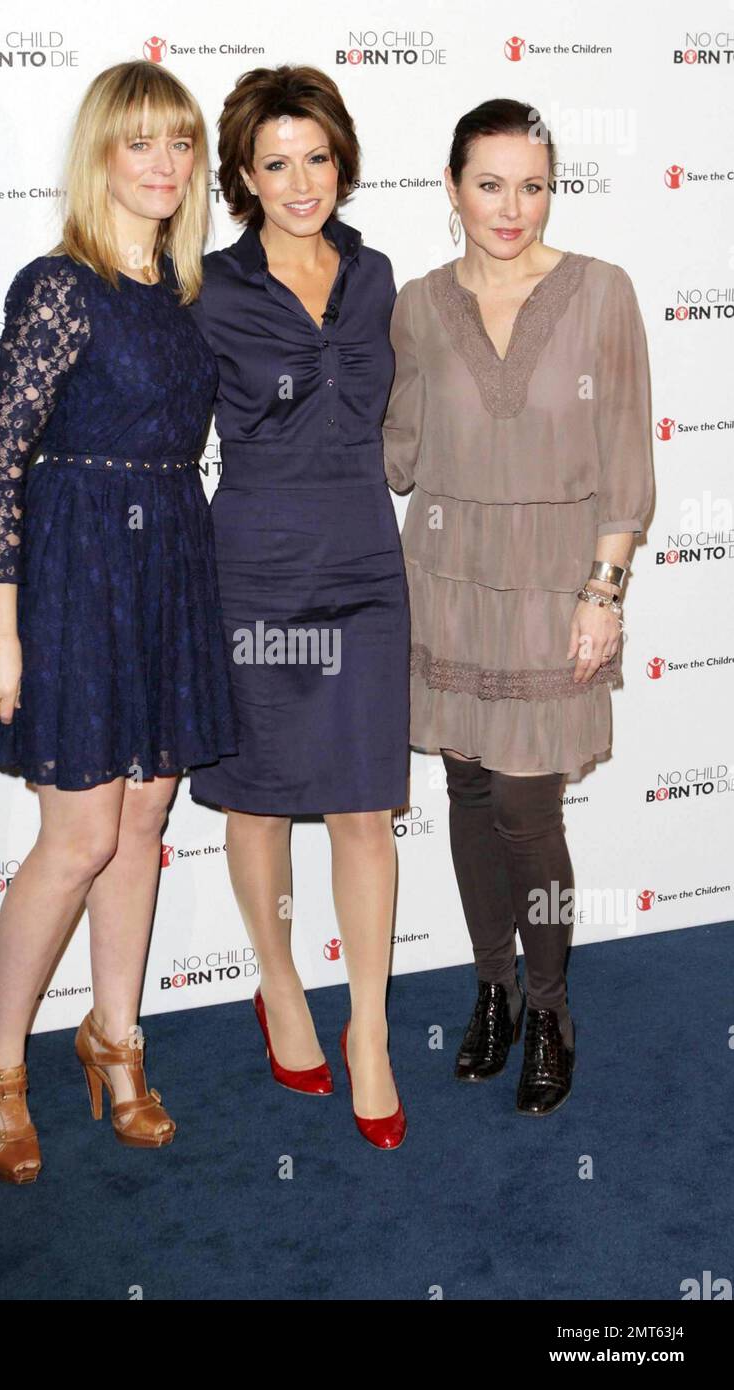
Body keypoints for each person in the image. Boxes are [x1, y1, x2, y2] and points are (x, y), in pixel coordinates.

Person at [0, 61, 238, 1182]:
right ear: (101, 157)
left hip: (170, 561)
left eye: (180, 145)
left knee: (141, 827)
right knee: (75, 837)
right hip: (76, 576)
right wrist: (0, 629)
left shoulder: (188, 299)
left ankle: (116, 1039)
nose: (165, 165)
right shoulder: (57, 285)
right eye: (140, 144)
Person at [383, 98, 654, 1116]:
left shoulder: (599, 293)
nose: (512, 207)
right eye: (489, 184)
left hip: (552, 585)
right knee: (463, 794)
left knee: (526, 811)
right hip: (446, 583)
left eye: (532, 184)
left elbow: (626, 462)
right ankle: (488, 987)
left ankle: (548, 1006)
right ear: (451, 189)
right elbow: (396, 452)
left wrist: (604, 589)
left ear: (553, 188)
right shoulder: (415, 306)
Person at [188, 66, 410, 1148]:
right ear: (241, 174)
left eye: (315, 156)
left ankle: (368, 1028)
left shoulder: (374, 276)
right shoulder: (210, 287)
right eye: (275, 162)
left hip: (367, 561)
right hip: (258, 568)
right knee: (263, 799)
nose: (300, 180)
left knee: (365, 805)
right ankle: (279, 983)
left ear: (341, 158)